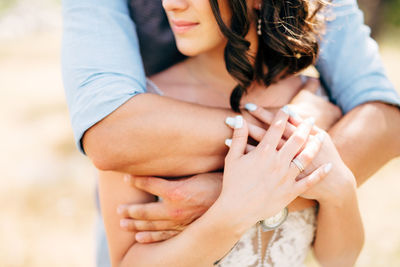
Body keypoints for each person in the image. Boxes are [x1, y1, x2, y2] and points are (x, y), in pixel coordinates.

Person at [61, 0, 400, 265]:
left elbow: (338, 259)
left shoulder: (316, 101)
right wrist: (234, 209)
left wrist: (339, 188)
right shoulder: (141, 120)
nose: (169, 4)